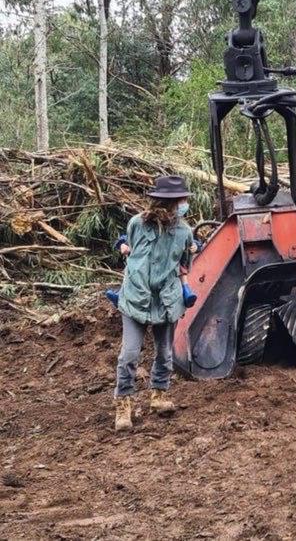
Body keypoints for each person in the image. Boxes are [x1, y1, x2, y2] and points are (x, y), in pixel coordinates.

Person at [112, 174, 197, 432]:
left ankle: (158, 395)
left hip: (167, 299)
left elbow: (184, 264)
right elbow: (129, 251)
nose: (184, 204)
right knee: (129, 354)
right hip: (135, 298)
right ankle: (123, 403)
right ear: (167, 202)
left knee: (165, 352)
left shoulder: (184, 232)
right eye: (181, 200)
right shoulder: (137, 224)